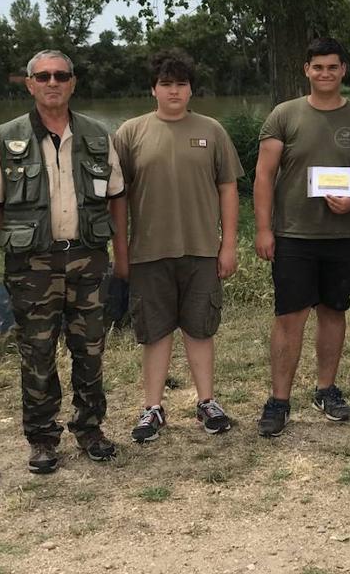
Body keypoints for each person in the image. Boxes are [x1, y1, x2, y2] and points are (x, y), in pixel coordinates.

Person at [0, 49, 127, 472]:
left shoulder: (99, 135)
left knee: (90, 349)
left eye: (61, 75)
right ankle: (42, 438)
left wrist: (120, 254)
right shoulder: (7, 136)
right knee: (37, 352)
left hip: (88, 259)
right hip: (33, 265)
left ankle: (90, 428)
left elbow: (117, 198)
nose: (52, 83)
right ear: (29, 84)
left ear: (73, 82)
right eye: (42, 76)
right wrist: (25, 237)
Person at [253, 37, 350, 437]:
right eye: (317, 67)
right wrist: (263, 228)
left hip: (343, 235)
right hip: (294, 234)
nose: (324, 73)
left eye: (332, 67)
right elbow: (263, 174)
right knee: (289, 317)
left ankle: (326, 390)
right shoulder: (284, 114)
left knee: (333, 312)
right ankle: (279, 400)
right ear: (306, 70)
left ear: (344, 69)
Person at [112, 50, 244, 441]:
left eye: (181, 84)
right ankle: (152, 408)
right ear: (153, 89)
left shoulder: (212, 130)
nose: (174, 91)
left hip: (202, 249)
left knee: (201, 329)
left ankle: (207, 402)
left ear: (191, 90)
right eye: (166, 84)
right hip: (149, 252)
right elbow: (116, 198)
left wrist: (229, 244)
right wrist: (121, 251)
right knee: (154, 332)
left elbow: (229, 188)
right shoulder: (130, 133)